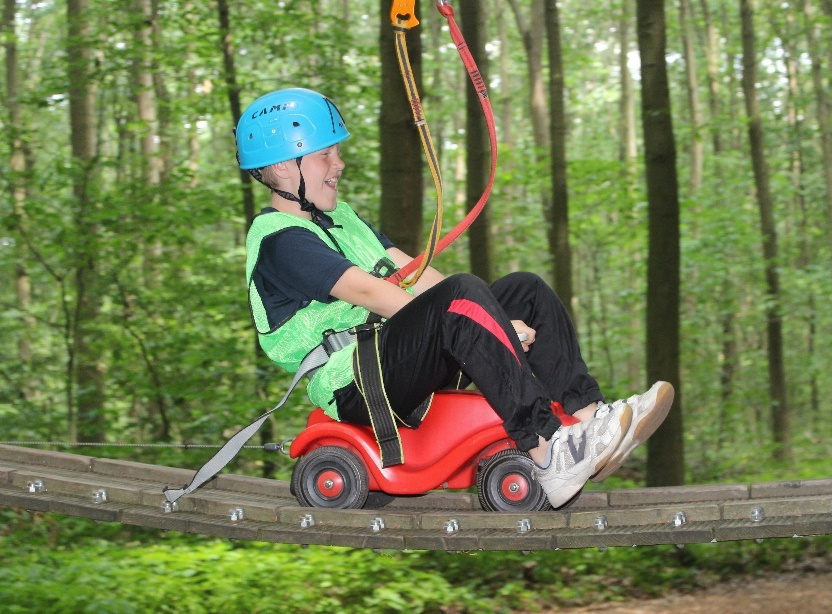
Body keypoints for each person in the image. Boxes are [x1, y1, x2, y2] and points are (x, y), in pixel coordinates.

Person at [236, 87, 673, 508]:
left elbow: (414, 273)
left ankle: (590, 422)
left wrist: (494, 316)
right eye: (325, 154)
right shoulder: (281, 240)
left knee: (524, 290)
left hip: (400, 361)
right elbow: (370, 292)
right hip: (357, 383)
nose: (340, 163)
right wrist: (479, 320)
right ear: (280, 167)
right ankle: (546, 449)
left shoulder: (343, 219)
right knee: (460, 297)